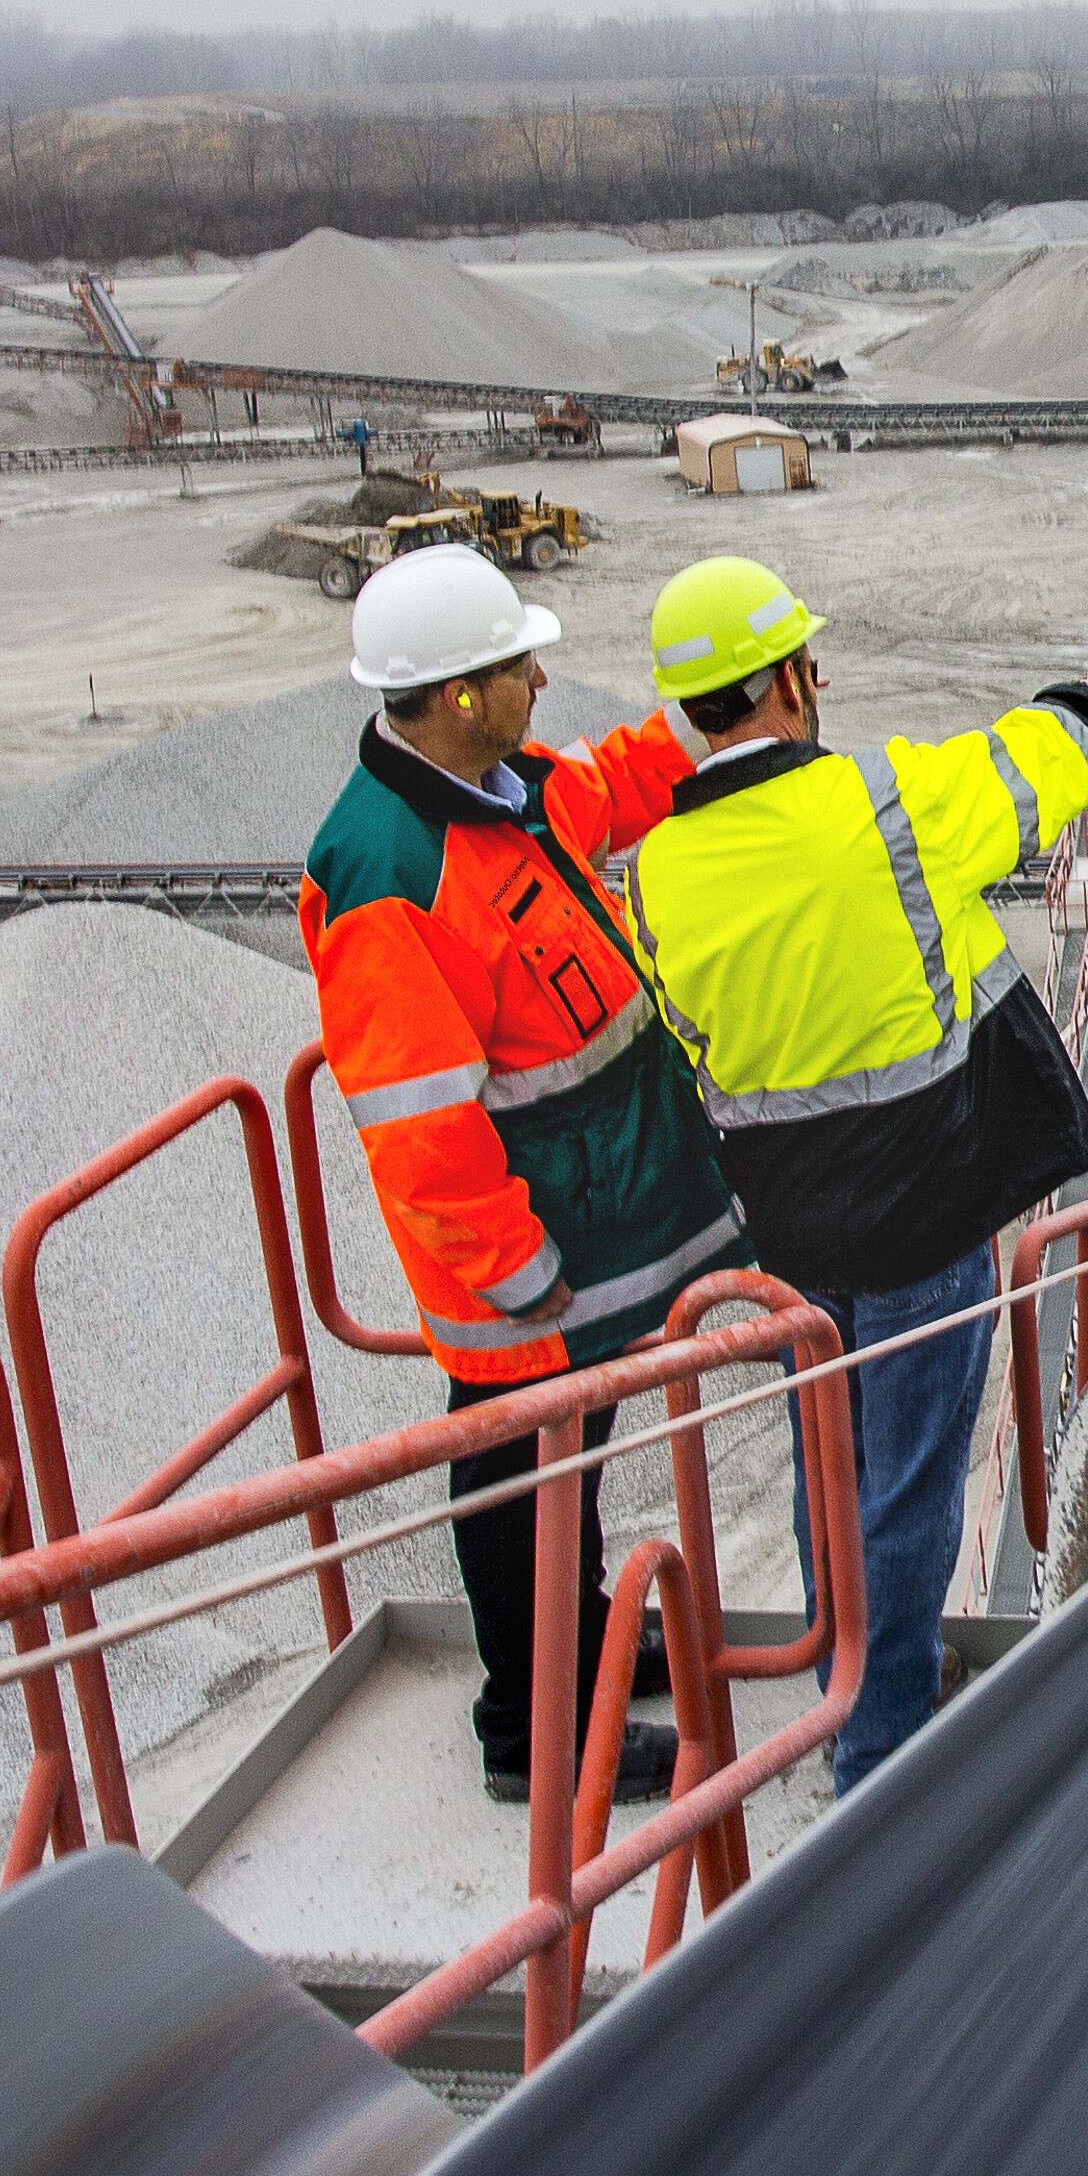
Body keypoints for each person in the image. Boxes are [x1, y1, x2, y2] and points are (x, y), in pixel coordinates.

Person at [607, 553, 1088, 1789]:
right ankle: (881, 1742)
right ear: (788, 680)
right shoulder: (883, 801)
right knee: (907, 1489)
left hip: (788, 1233)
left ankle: (845, 1680)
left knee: (826, 1469)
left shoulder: (659, 870)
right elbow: (1025, 770)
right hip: (923, 1216)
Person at [298, 541, 747, 1804]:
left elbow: (595, 791)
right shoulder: (390, 872)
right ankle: (536, 1735)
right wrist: (513, 1268)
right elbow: (415, 1116)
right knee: (521, 1472)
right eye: (516, 666)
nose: (540, 680)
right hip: (516, 1254)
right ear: (455, 694)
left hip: (574, 1221)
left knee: (573, 1452)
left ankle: (589, 1636)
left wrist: (714, 715)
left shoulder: (496, 787)